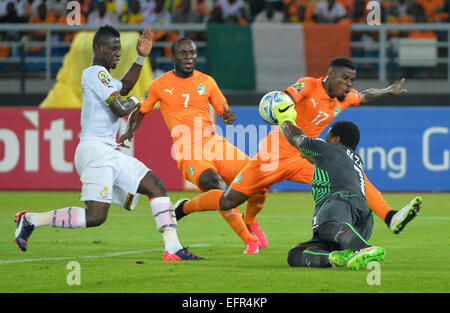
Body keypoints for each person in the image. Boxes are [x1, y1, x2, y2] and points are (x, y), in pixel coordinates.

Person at [175, 57, 422, 252]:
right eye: (345, 79)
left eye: (352, 80)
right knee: (228, 201)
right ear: (330, 75)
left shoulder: (344, 98)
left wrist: (388, 90)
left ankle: (390, 217)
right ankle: (183, 208)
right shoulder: (309, 84)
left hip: (302, 158)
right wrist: (282, 104)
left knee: (351, 176)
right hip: (271, 157)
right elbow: (287, 97)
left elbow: (365, 95)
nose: (349, 84)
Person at [14, 25, 203, 261]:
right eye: (114, 49)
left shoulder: (104, 78)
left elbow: (122, 87)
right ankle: (31, 219)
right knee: (95, 217)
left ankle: (173, 248)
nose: (118, 53)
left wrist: (141, 57)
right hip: (95, 153)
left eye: (119, 49)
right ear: (98, 48)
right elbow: (121, 107)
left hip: (108, 152)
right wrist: (142, 97)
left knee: (156, 186)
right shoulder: (94, 73)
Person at [119, 37, 263, 254]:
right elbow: (141, 111)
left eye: (193, 53)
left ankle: (246, 220)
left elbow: (224, 111)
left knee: (258, 180)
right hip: (188, 150)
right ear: (173, 56)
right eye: (184, 53)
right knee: (218, 188)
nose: (189, 57)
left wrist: (228, 116)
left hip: (214, 144)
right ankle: (248, 239)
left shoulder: (207, 82)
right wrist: (130, 129)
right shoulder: (159, 85)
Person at [272, 102, 387, 269]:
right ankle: (335, 258)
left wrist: (284, 118)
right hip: (362, 218)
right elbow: (329, 164)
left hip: (340, 202)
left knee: (326, 226)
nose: (325, 138)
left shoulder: (328, 149)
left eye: (328, 135)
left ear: (336, 139)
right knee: (295, 255)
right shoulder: (355, 159)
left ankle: (365, 249)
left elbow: (296, 138)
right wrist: (313, 157)